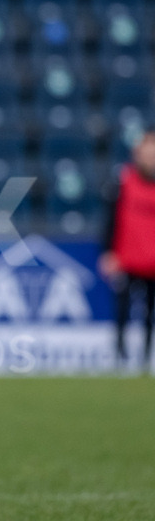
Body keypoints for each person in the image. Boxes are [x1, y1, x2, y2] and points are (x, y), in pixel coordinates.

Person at [98, 129, 155, 371]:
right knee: (122, 308)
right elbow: (110, 220)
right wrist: (108, 251)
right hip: (127, 258)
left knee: (149, 312)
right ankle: (120, 356)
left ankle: (145, 359)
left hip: (152, 261)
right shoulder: (123, 181)